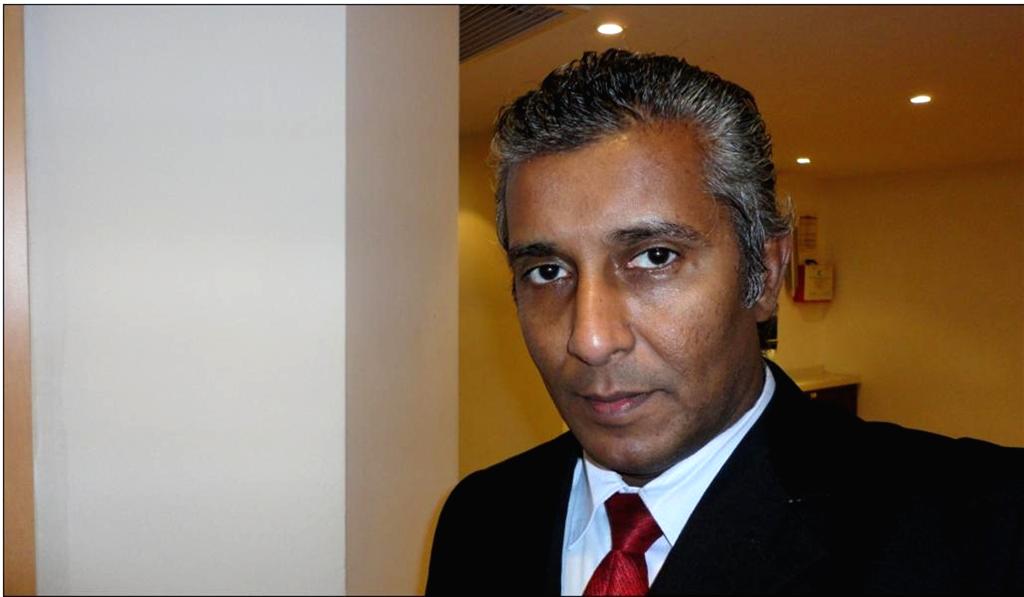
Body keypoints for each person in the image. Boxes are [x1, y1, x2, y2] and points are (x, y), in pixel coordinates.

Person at [426, 49, 1023, 595]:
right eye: (548, 271)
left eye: (654, 257)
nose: (591, 339)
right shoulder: (481, 518)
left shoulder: (984, 529)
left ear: (764, 274)